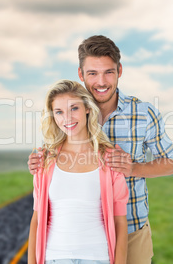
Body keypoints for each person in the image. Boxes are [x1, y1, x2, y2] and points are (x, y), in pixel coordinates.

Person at [28, 35, 173, 264]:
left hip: (131, 229)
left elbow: (171, 163)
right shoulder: (72, 109)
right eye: (92, 73)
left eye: (108, 72)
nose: (101, 81)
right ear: (81, 74)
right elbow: (53, 152)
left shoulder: (144, 113)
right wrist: (38, 162)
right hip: (78, 240)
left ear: (119, 70)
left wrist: (132, 168)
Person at [28, 80, 129, 264]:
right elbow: (36, 219)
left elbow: (120, 222)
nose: (67, 118)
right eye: (59, 112)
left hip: (97, 257)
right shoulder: (45, 160)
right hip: (54, 257)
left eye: (74, 108)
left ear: (87, 109)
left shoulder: (111, 159)